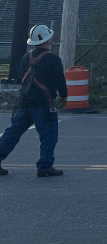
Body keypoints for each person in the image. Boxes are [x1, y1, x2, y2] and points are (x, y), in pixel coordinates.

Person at [0, 24, 67, 178]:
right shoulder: (53, 59)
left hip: (24, 103)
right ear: (47, 40)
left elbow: (21, 79)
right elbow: (59, 81)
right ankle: (45, 166)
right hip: (43, 104)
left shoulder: (26, 57)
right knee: (48, 135)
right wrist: (64, 96)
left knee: (13, 133)